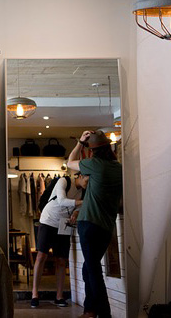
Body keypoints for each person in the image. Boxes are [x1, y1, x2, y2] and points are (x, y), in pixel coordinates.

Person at [66, 130, 123, 318]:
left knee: (93, 270)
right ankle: (90, 310)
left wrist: (80, 142)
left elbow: (70, 163)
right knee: (89, 268)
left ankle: (104, 314)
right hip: (106, 227)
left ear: (93, 151)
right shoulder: (119, 168)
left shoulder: (94, 164)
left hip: (89, 223)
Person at [30, 174, 88, 308]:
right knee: (41, 256)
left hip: (64, 223)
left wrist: (75, 213)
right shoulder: (64, 181)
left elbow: (77, 209)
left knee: (61, 260)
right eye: (87, 179)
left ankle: (59, 296)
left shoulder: (83, 192)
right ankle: (34, 294)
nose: (87, 183)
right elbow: (61, 200)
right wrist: (83, 202)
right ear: (80, 176)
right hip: (48, 220)